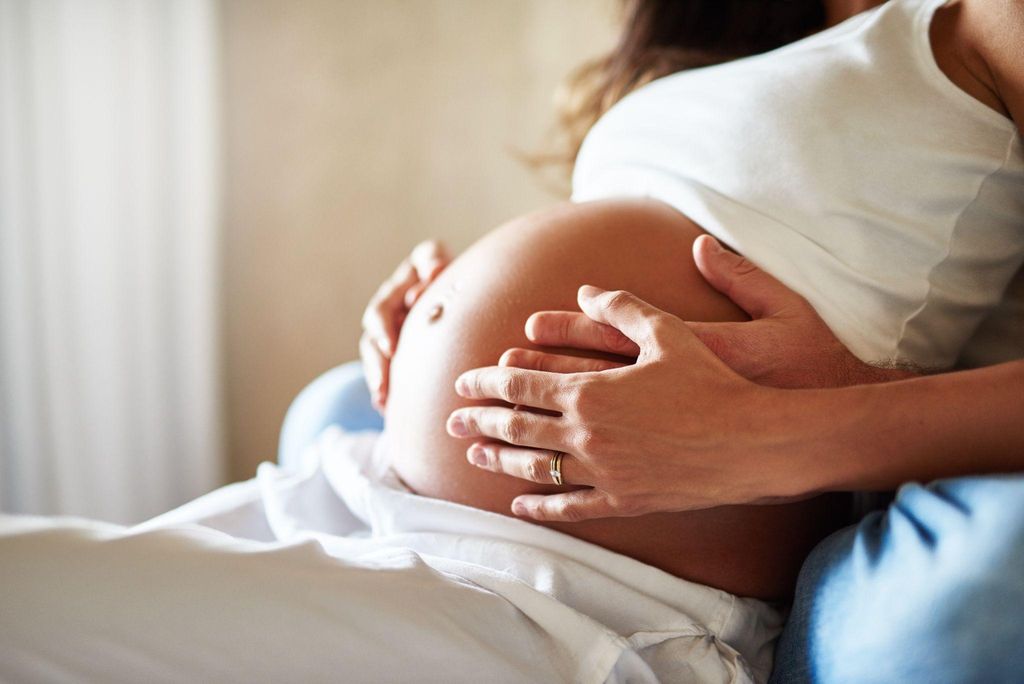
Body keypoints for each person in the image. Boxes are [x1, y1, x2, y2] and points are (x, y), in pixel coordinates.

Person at [354, 0, 1024, 681]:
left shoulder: (992, 19)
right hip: (391, 492)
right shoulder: (736, 22)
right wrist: (442, 301)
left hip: (592, 592)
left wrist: (778, 429)